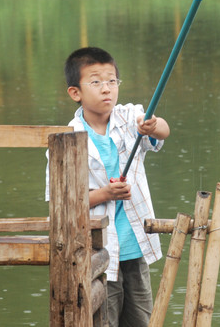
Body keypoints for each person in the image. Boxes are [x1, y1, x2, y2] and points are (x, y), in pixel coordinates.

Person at [45, 46, 170, 327]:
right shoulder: (67, 139)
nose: (106, 89)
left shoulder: (129, 117)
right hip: (98, 252)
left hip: (135, 246)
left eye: (112, 81)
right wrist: (104, 195)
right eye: (96, 82)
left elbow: (163, 129)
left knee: (140, 317)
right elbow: (60, 201)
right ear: (75, 93)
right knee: (105, 318)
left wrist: (152, 125)